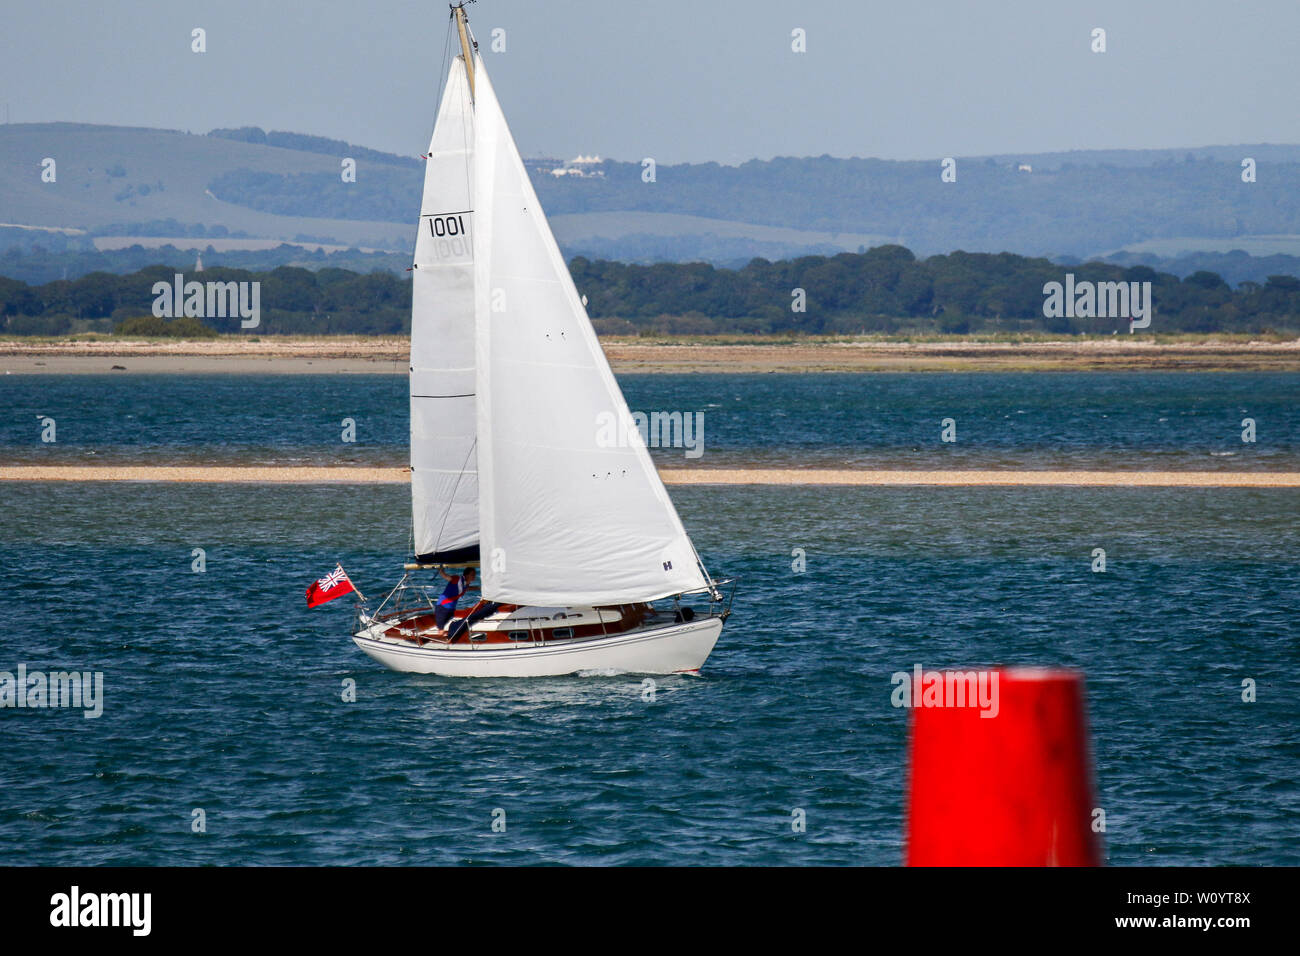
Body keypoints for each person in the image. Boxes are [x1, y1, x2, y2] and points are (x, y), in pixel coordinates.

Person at [434, 566, 476, 630]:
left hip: (451, 609)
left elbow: (466, 588)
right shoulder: (457, 579)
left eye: (474, 575)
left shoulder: (465, 584)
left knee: (447, 628)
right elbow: (446, 576)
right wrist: (441, 570)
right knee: (441, 630)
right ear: (467, 575)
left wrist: (480, 588)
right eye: (472, 574)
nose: (474, 576)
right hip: (443, 608)